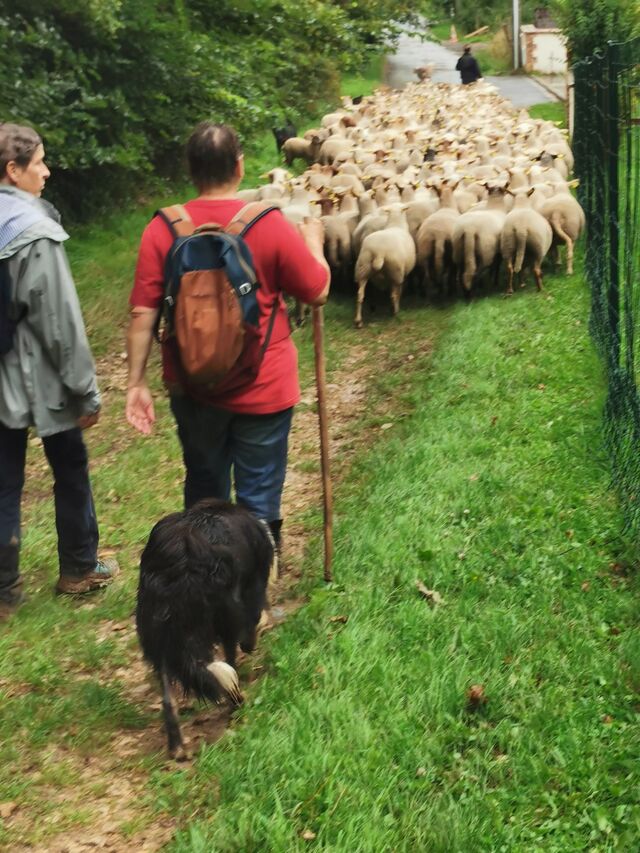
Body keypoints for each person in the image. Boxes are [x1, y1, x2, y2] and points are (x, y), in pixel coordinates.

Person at [126, 122, 330, 554]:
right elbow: (316, 290)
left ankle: (205, 577)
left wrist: (135, 382)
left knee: (204, 492)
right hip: (265, 385)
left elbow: (143, 313)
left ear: (191, 170)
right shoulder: (270, 224)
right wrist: (314, 243)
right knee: (259, 495)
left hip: (192, 385)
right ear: (239, 166)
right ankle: (257, 588)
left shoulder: (162, 229)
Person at [0, 123, 119, 618]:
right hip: (40, 376)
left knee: (3, 479)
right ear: (13, 170)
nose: (47, 172)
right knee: (69, 464)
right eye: (39, 163)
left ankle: (3, 591)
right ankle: (79, 567)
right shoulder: (34, 231)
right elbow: (60, 325)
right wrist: (84, 392)